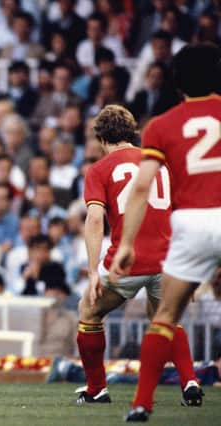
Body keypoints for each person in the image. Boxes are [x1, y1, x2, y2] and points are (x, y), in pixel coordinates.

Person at [109, 44, 220, 422]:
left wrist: (125, 244)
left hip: (190, 224)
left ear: (176, 83)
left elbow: (141, 188)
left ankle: (142, 403)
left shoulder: (161, 125)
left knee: (166, 315)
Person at [76, 104, 200, 406]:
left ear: (101, 138)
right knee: (166, 318)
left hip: (126, 261)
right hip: (166, 260)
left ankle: (96, 389)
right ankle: (190, 383)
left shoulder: (100, 169)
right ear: (132, 132)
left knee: (88, 312)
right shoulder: (160, 164)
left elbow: (94, 220)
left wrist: (93, 272)